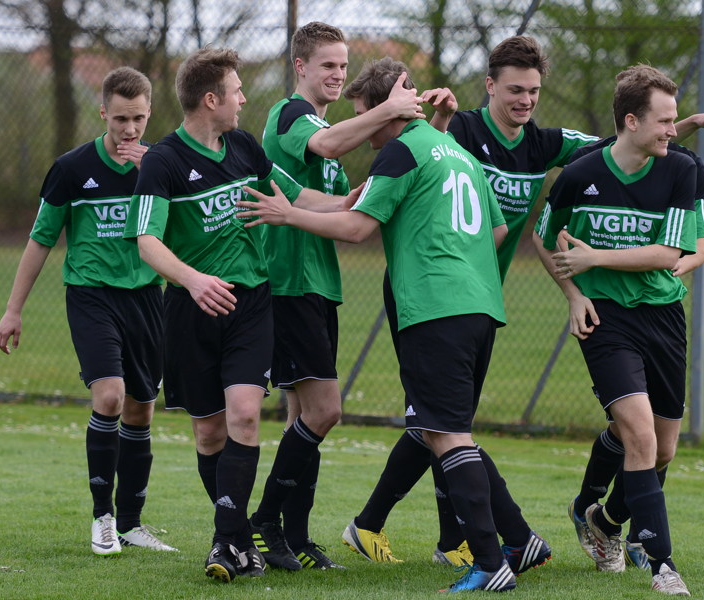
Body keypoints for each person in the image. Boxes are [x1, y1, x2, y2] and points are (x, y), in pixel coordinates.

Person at [341, 35, 704, 568]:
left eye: (533, 90)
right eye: (515, 89)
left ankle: (412, 532)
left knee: (446, 420)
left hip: (478, 293)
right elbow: (409, 151)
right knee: (440, 419)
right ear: (490, 86)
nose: (525, 100)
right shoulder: (459, 132)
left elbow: (624, 139)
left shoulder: (546, 144)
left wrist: (682, 125)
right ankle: (409, 532)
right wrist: (432, 119)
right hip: (430, 290)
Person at [237, 57, 537, 593]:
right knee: (444, 428)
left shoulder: (400, 150)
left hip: (434, 305)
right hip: (482, 303)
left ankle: (491, 563)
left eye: (365, 114)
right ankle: (517, 542)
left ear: (387, 109)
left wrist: (288, 215)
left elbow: (357, 229)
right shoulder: (458, 151)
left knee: (445, 434)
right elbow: (497, 232)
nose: (365, 131)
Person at [123, 47, 353, 583]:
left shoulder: (245, 146)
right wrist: (193, 279)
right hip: (191, 307)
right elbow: (146, 240)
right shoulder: (164, 161)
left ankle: (228, 542)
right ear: (211, 100)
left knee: (245, 415)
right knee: (209, 434)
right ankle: (238, 539)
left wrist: (355, 200)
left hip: (251, 303)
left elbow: (294, 197)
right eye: (236, 91)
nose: (244, 99)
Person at [248, 21, 424, 571]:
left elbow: (315, 199)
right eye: (328, 65)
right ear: (300, 66)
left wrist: (362, 194)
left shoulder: (325, 129)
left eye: (344, 66)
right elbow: (324, 145)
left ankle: (295, 538)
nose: (338, 74)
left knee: (303, 416)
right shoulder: (290, 115)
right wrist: (389, 109)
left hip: (320, 284)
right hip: (290, 283)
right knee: (326, 411)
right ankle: (263, 524)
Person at [0, 67, 177, 556]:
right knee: (110, 397)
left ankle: (132, 524)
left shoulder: (161, 167)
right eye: (120, 119)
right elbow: (40, 239)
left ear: (149, 113)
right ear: (103, 114)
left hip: (147, 298)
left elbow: (181, 232)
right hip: (91, 296)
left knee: (141, 407)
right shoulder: (72, 168)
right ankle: (103, 518)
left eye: (138, 118)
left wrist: (154, 173)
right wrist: (13, 310)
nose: (130, 129)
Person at [536, 64, 699, 596]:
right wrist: (574, 293)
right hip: (606, 318)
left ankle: (603, 521)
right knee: (640, 436)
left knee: (663, 450)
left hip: (663, 314)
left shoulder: (680, 170)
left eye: (674, 120)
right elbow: (544, 237)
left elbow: (668, 254)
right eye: (665, 121)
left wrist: (595, 258)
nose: (673, 130)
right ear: (631, 121)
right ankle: (662, 565)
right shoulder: (580, 174)